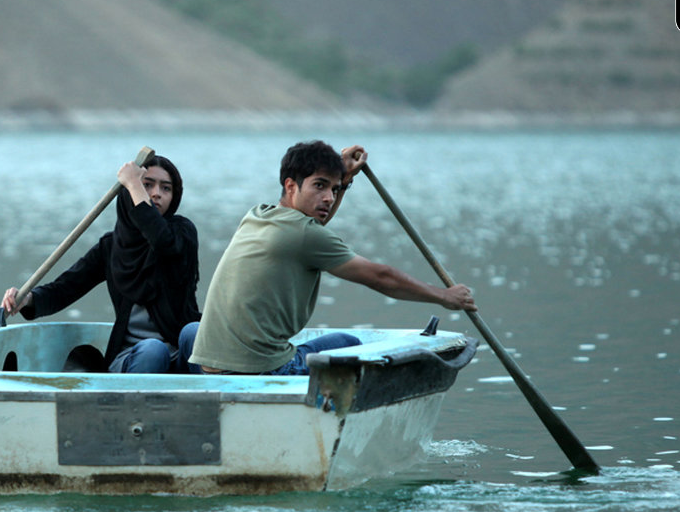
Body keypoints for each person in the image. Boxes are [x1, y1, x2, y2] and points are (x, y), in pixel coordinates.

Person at [189, 140, 477, 376]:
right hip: (263, 371)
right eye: (319, 186)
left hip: (207, 368)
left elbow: (311, 230)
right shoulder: (304, 235)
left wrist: (346, 178)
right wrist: (444, 296)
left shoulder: (257, 215)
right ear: (291, 186)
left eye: (334, 189)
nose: (328, 197)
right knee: (348, 344)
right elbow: (380, 277)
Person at [0, 156, 200, 373]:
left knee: (195, 332)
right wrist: (28, 299)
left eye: (166, 188)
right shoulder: (112, 246)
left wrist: (133, 183)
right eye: (147, 185)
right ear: (127, 193)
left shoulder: (182, 234)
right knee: (153, 350)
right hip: (133, 357)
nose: (157, 193)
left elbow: (161, 241)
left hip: (179, 353)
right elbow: (66, 287)